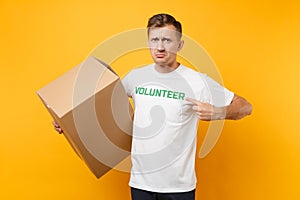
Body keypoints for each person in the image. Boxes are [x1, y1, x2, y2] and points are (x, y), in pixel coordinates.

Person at [53, 13, 252, 200]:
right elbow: (101, 107)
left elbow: (245, 107)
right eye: (155, 40)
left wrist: (218, 111)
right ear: (148, 43)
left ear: (180, 44)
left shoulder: (197, 81)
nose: (160, 47)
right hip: (140, 184)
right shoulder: (135, 77)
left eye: (167, 40)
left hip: (179, 188)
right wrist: (68, 123)